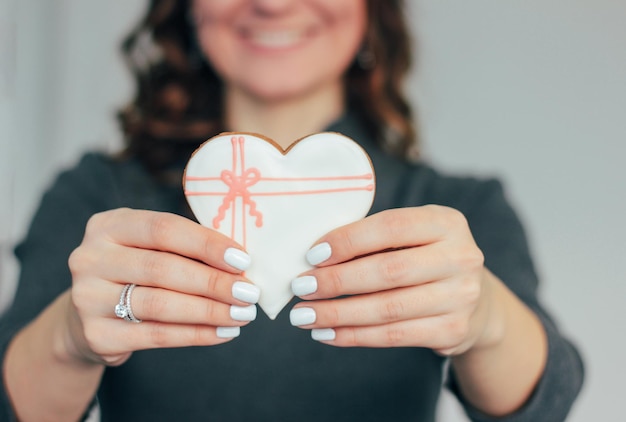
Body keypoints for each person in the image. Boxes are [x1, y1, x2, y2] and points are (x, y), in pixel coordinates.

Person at [0, 1, 584, 421]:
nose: (272, 3)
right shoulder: (97, 197)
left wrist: (486, 319)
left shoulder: (456, 208)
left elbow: (548, 400)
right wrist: (71, 338)